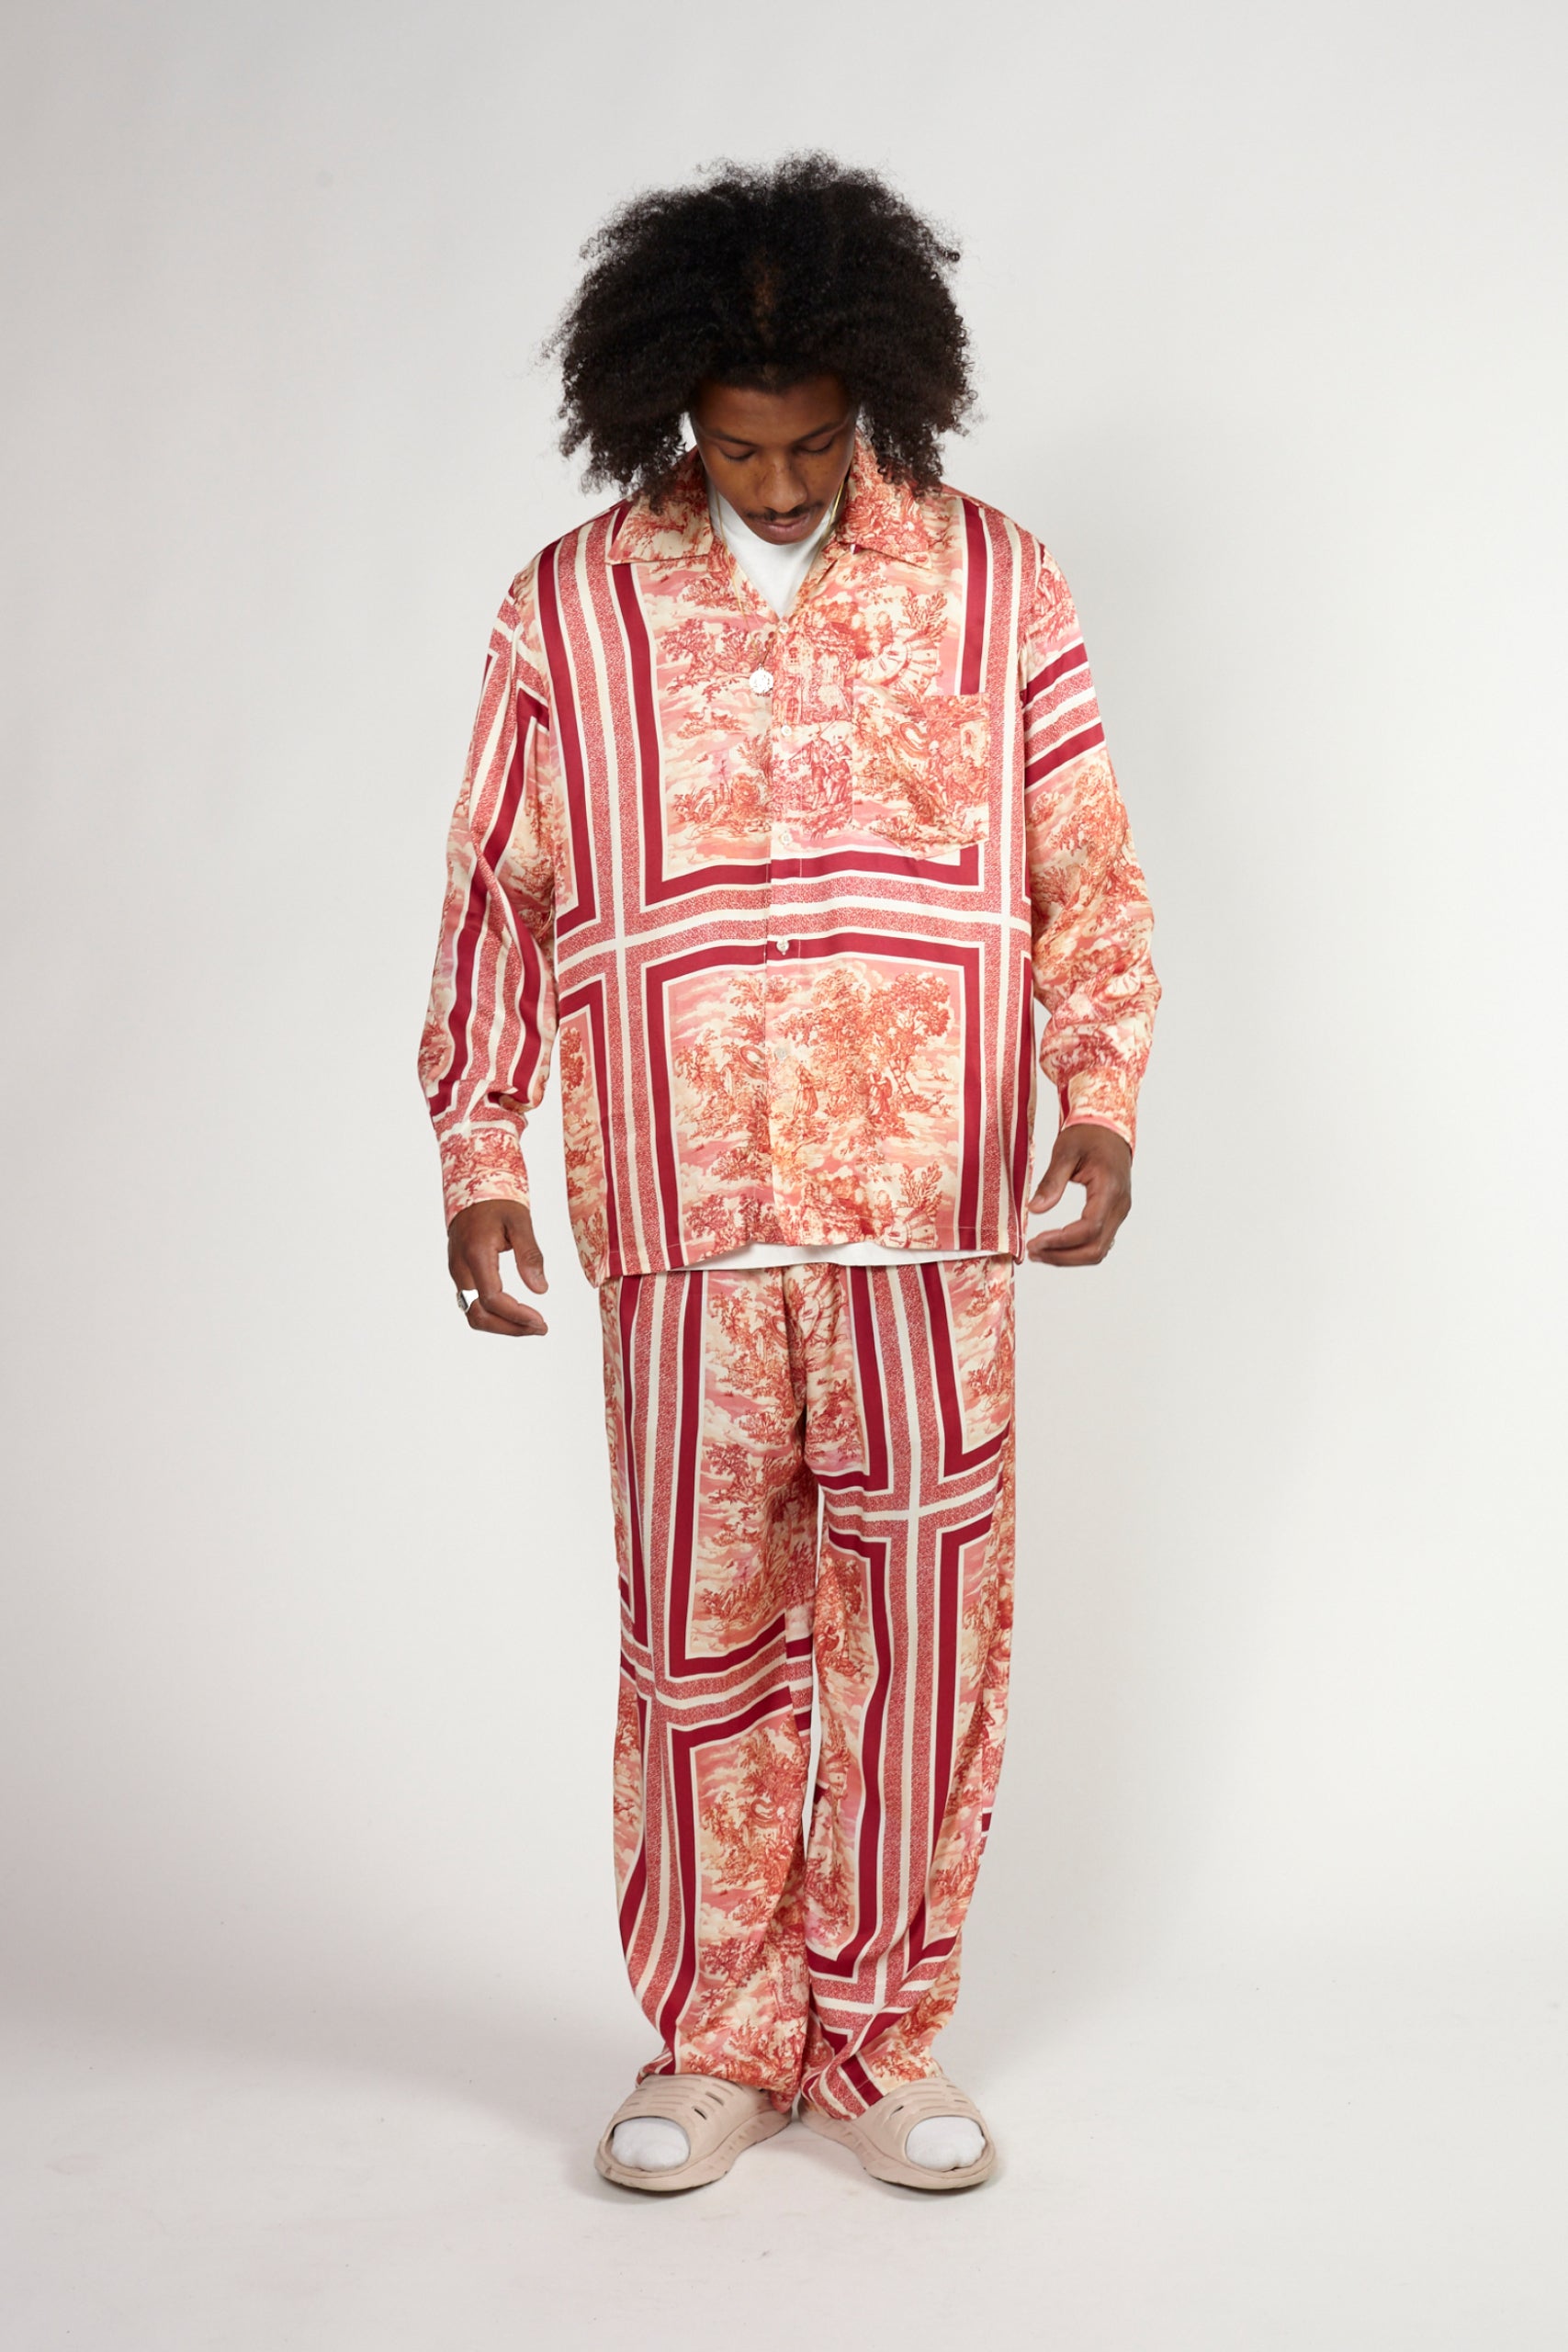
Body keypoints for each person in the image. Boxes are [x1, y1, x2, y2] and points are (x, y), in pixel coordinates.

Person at [418, 154, 1159, 2195]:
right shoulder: (571, 606)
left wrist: (1098, 1100)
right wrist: (479, 1148)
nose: (771, 480)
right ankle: (717, 2041)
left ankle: (880, 2037)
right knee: (698, 1649)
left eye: (812, 443)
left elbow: (1087, 873)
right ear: (669, 406)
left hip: (930, 1216)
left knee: (922, 1644)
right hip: (678, 1217)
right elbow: (496, 898)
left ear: (875, 402)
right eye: (734, 445)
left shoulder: (996, 584)